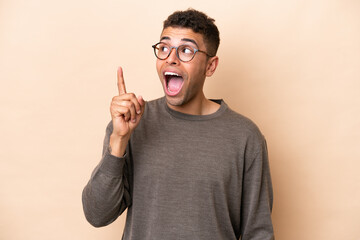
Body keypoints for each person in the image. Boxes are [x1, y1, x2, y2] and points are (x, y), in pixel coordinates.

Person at [82, 9, 274, 240]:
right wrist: (119, 141)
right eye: (164, 48)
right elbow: (97, 214)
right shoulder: (131, 123)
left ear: (210, 66)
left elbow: (258, 232)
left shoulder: (245, 137)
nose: (170, 58)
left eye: (186, 50)